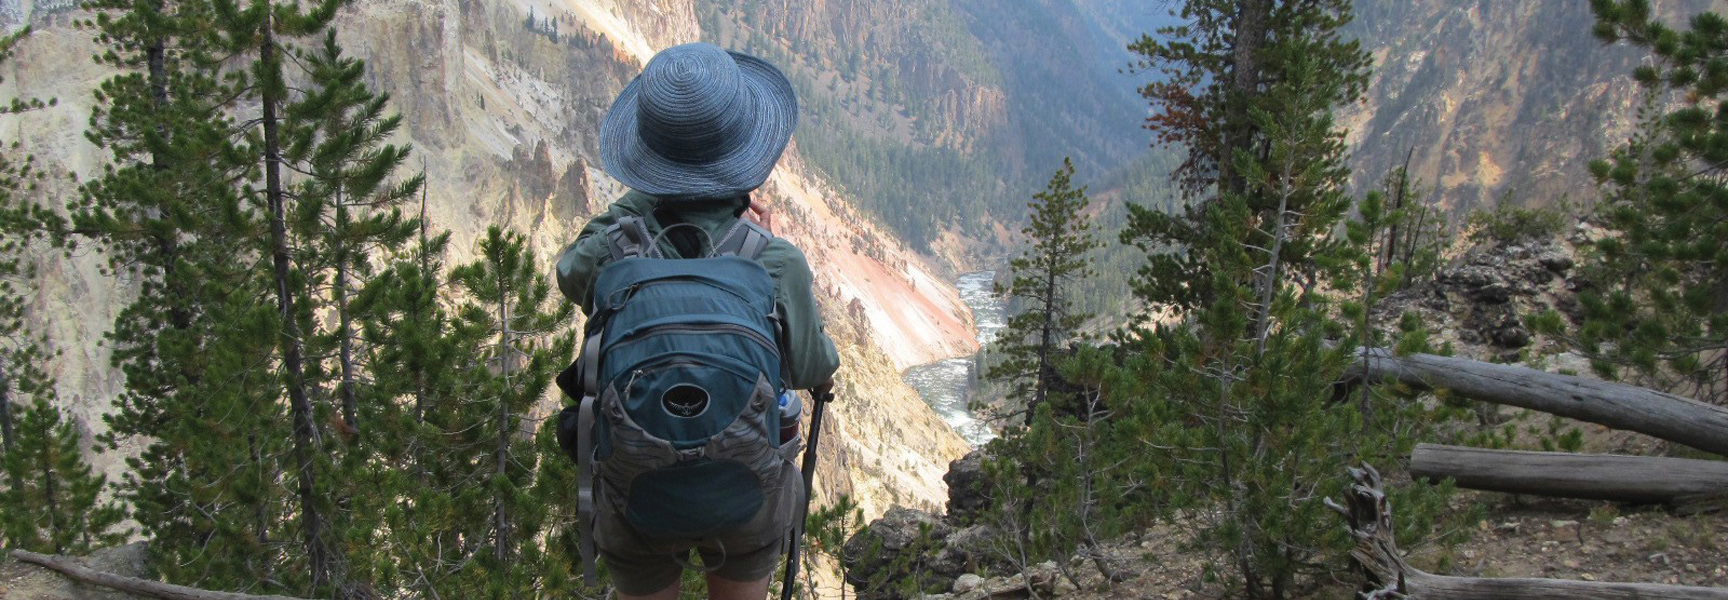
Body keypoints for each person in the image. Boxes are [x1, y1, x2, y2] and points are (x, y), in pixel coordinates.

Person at [554, 42, 840, 600]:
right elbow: (813, 366)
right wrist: (767, 244)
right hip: (747, 493)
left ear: (647, 159)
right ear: (744, 156)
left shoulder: (612, 250)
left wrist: (639, 201)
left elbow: (570, 272)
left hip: (635, 492)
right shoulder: (774, 261)